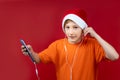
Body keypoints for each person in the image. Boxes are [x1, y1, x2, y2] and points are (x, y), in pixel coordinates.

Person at [21, 9, 119, 80]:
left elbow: (114, 56)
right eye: (67, 27)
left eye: (75, 27)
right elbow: (38, 59)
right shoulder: (57, 46)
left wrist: (96, 35)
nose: (70, 32)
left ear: (83, 29)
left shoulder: (92, 44)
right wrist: (31, 52)